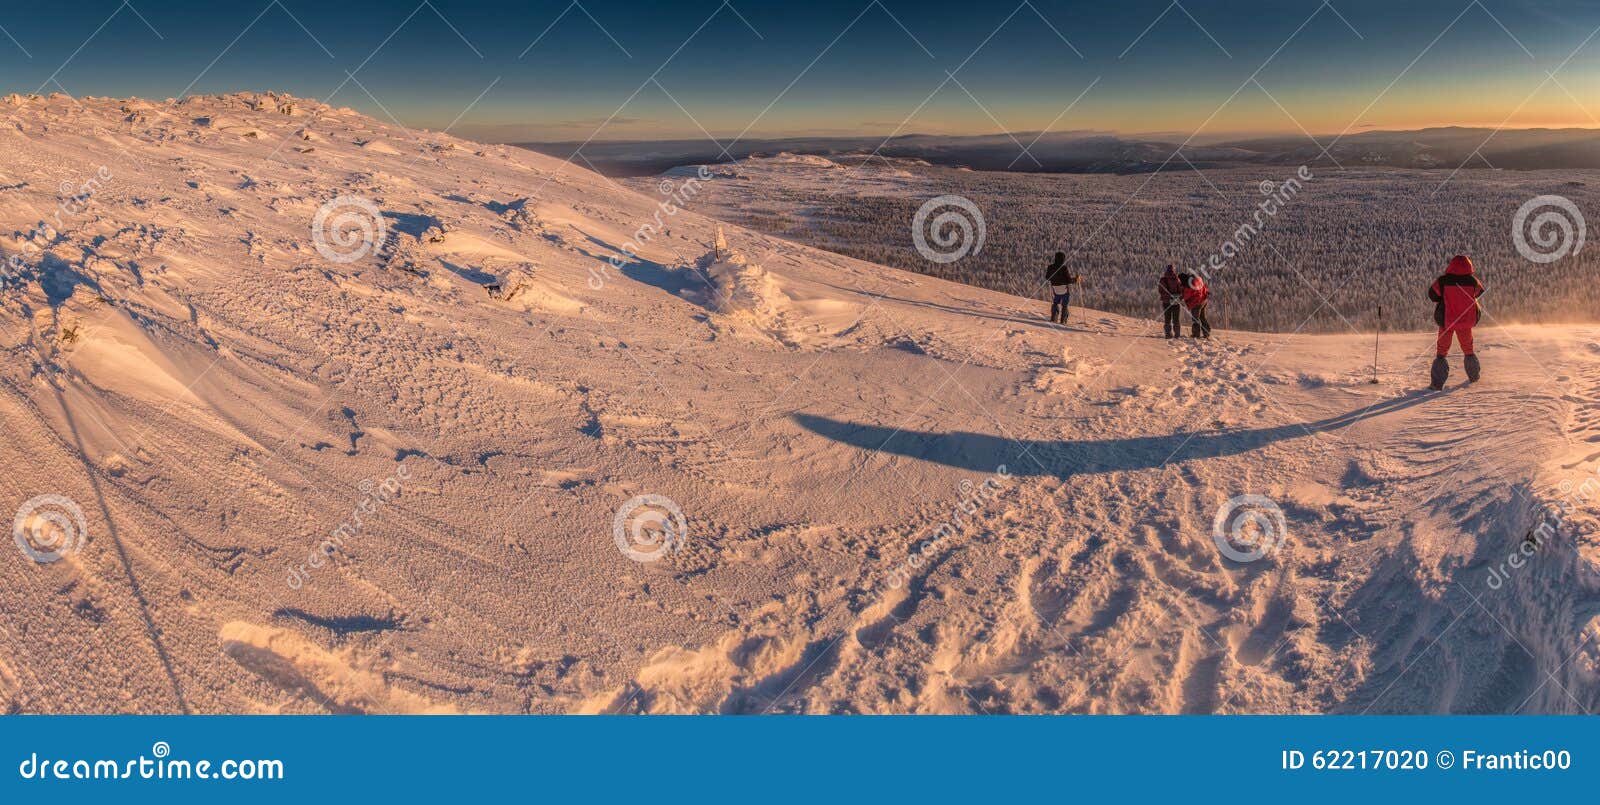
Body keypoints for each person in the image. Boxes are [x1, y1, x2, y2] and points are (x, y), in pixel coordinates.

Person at [1428, 254, 1484, 390]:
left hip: (1447, 321)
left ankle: (1437, 384)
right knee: (1468, 349)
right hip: (1466, 321)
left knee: (1441, 351)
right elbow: (1479, 292)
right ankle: (1474, 377)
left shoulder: (1443, 281)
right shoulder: (1473, 281)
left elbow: (1432, 295)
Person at [1045, 251, 1078, 324]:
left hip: (1055, 289)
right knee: (1065, 304)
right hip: (1064, 289)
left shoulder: (1050, 267)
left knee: (1055, 302)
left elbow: (1047, 277)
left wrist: (1054, 280)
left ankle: (1054, 317)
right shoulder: (1063, 268)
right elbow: (1068, 280)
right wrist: (1075, 279)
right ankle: (1063, 320)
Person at [1180, 271, 1211, 339]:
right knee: (1202, 317)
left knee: (1195, 319)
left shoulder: (1188, 286)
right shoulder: (1198, 279)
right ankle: (1206, 333)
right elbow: (1204, 287)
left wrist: (1180, 297)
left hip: (1196, 303)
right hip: (1204, 300)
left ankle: (1196, 334)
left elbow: (1186, 296)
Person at [1158, 265, 1184, 338]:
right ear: (1174, 270)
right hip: (1176, 302)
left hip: (1166, 302)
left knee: (1167, 319)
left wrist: (1167, 297)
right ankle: (1177, 334)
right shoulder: (1177, 279)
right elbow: (1181, 291)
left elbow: (1160, 291)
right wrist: (1179, 298)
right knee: (1176, 319)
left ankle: (1168, 334)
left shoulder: (1163, 280)